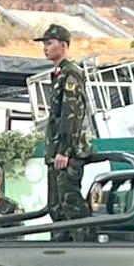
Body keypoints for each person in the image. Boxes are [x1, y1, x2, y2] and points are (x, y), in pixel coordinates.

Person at [36, 24, 95, 242]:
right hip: (56, 152)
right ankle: (62, 248)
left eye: (49, 43)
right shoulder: (59, 73)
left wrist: (64, 150)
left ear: (63, 45)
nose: (45, 48)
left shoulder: (71, 72)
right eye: (44, 44)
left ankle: (87, 247)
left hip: (67, 153)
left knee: (71, 204)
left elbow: (71, 114)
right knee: (56, 207)